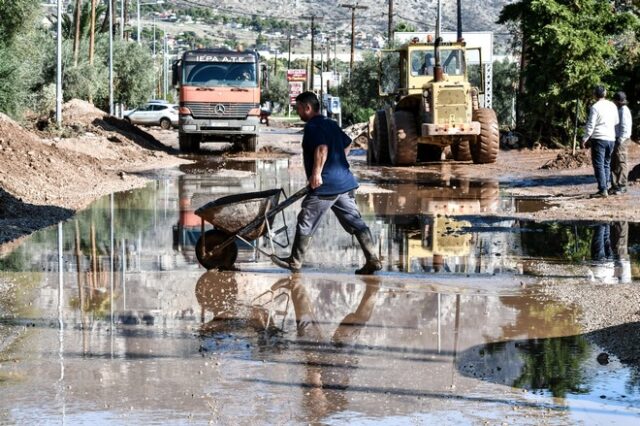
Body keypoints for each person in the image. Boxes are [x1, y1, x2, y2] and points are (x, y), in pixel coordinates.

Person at [271, 91, 382, 275]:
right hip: (344, 183)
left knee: (306, 220)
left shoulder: (313, 126)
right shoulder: (331, 124)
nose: (298, 112)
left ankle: (294, 261)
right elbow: (347, 143)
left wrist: (317, 174)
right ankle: (373, 259)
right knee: (355, 221)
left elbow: (322, 148)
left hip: (326, 186)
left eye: (299, 108)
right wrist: (337, 163)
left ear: (308, 107)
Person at [581, 85, 619, 198]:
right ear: (605, 94)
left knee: (598, 164)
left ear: (594, 95)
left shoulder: (595, 107)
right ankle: (605, 187)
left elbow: (591, 125)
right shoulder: (612, 105)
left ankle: (603, 189)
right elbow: (616, 121)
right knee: (606, 163)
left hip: (599, 138)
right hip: (611, 138)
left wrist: (584, 138)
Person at [610, 91, 633, 195]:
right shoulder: (619, 110)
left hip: (622, 139)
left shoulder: (624, 111)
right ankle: (615, 185)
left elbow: (625, 128)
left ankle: (622, 185)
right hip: (617, 138)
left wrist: (620, 141)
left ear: (617, 101)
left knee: (621, 162)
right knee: (614, 163)